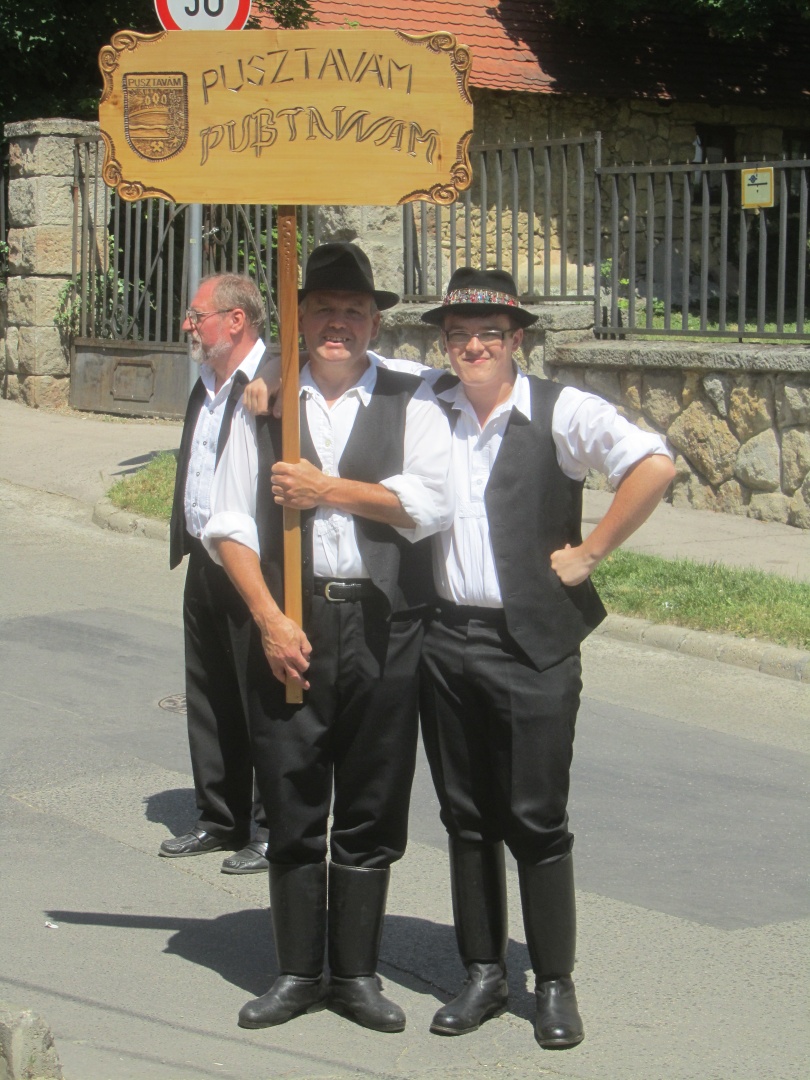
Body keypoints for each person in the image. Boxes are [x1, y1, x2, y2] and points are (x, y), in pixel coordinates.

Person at [416, 267, 676, 1051]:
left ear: (517, 340)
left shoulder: (560, 410)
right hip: (445, 638)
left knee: (535, 818)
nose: (473, 347)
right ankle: (483, 973)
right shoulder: (429, 403)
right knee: (466, 817)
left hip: (532, 643)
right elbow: (345, 369)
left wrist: (592, 551)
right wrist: (264, 383)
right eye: (459, 335)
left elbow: (654, 463)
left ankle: (554, 981)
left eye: (488, 334)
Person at [203, 242, 453, 1033]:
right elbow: (227, 523)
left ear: (374, 322)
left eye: (353, 311)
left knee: (372, 804)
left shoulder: (414, 396)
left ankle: (355, 976)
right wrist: (270, 618)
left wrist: (325, 489)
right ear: (300, 319)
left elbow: (430, 503)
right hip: (292, 623)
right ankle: (295, 973)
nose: (338, 323)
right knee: (291, 795)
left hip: (385, 624)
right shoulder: (264, 406)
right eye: (323, 310)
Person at [160, 273, 272, 875]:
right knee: (209, 693)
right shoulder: (206, 383)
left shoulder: (274, 379)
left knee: (264, 700)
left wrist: (275, 381)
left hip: (254, 563)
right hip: (206, 561)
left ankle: (274, 826)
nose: (188, 324)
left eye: (196, 314)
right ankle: (220, 816)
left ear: (235, 320)